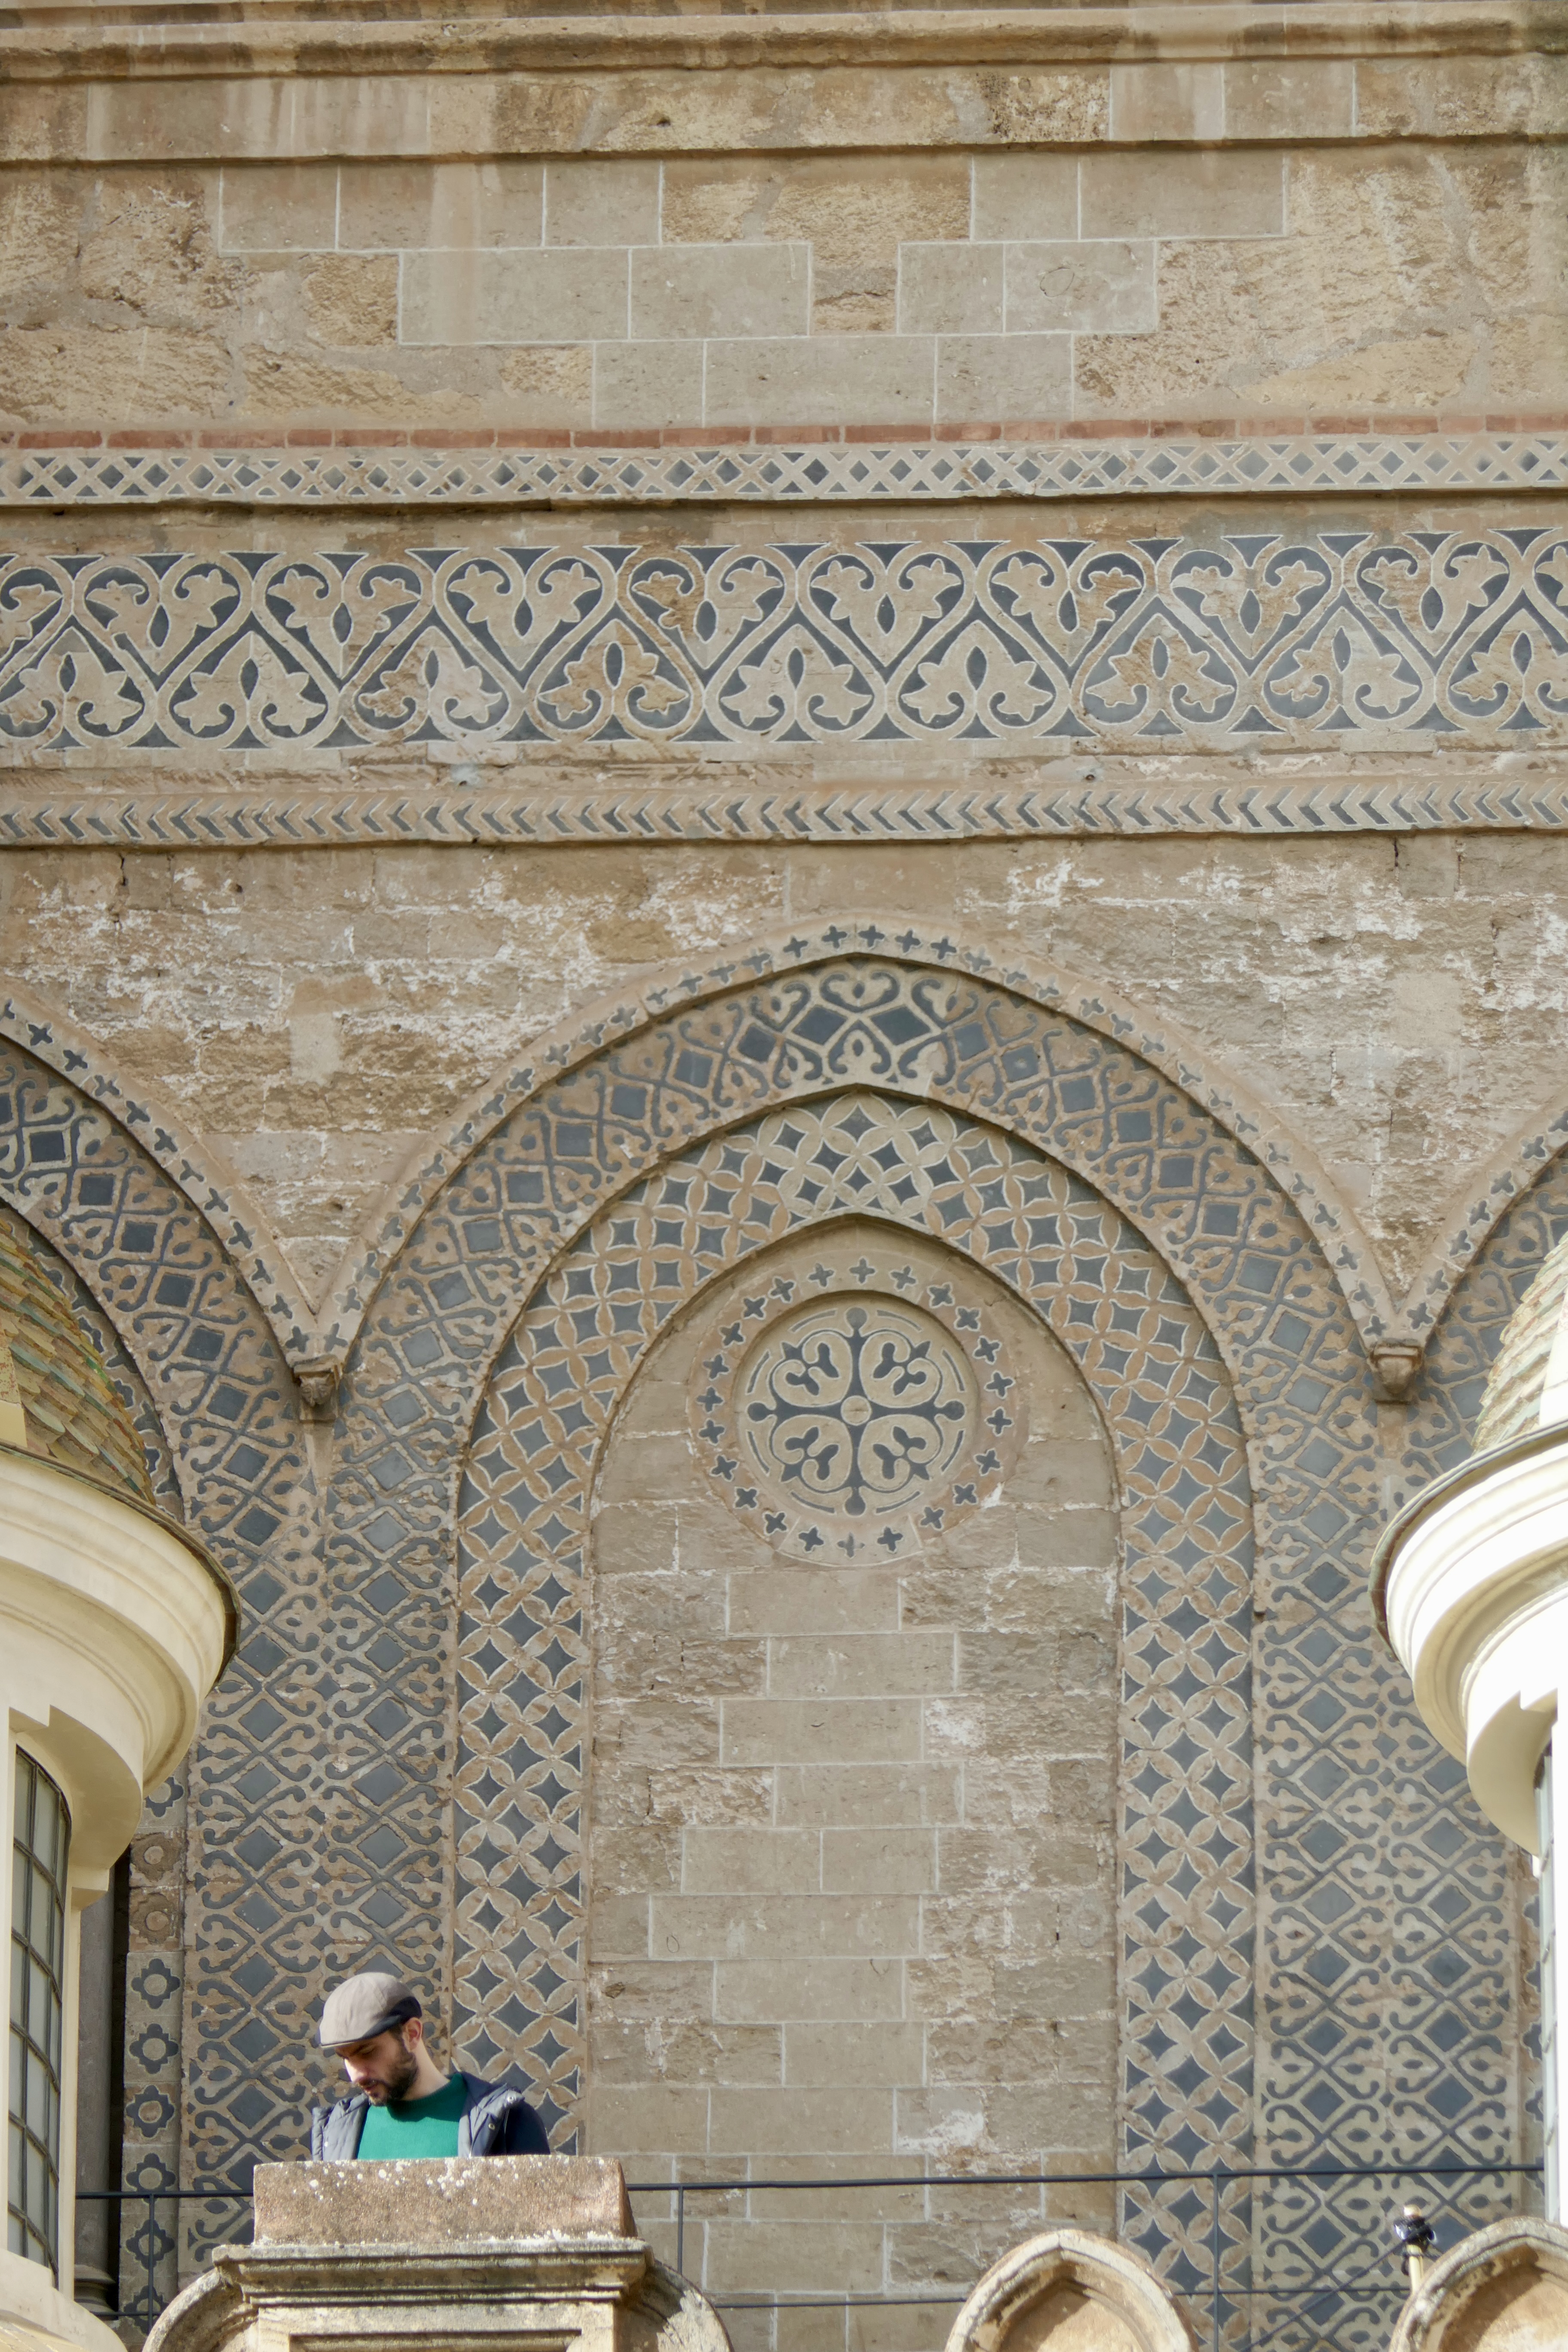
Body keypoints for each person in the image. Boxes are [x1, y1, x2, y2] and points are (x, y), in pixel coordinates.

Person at [309, 1969, 551, 2159]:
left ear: (412, 2034)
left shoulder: (506, 2121)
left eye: (368, 2052)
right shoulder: (335, 2133)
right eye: (345, 2058)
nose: (355, 2076)